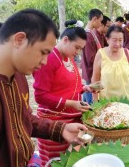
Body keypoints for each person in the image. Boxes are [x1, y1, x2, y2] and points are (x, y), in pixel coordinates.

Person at [0, 9, 87, 167]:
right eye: (43, 52)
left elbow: (25, 119)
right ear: (19, 39)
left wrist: (60, 129)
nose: (45, 61)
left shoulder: (18, 77)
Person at [32, 20, 93, 165]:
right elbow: (40, 96)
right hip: (55, 122)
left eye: (81, 49)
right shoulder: (50, 58)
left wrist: (83, 88)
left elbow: (64, 85)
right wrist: (72, 103)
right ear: (65, 40)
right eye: (76, 47)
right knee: (57, 161)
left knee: (72, 158)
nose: (78, 52)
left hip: (73, 119)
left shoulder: (68, 57)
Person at [92, 26, 129, 101]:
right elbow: (95, 79)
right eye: (114, 40)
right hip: (106, 102)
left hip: (127, 100)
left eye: (120, 40)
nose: (117, 44)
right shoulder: (101, 54)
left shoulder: (127, 53)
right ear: (107, 39)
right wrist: (95, 99)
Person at [81, 8, 103, 104]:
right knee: (90, 100)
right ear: (95, 19)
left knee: (87, 95)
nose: (100, 24)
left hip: (89, 71)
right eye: (100, 21)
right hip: (91, 72)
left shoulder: (91, 32)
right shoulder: (88, 35)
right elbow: (91, 58)